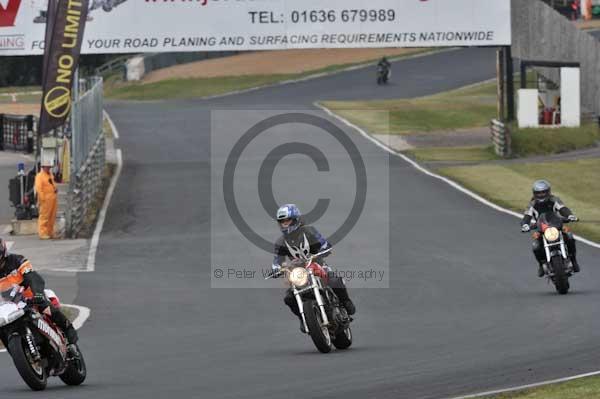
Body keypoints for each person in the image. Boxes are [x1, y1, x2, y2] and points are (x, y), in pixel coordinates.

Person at [271, 204, 355, 332]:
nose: (285, 224)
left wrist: (325, 248)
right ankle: (303, 318)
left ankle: (346, 302)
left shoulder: (309, 231)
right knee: (289, 297)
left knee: (334, 280)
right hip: (299, 272)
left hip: (317, 265)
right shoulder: (280, 242)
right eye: (282, 222)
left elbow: (323, 242)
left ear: (295, 219)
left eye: (287, 221)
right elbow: (277, 260)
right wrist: (276, 268)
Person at [0, 238, 79, 354]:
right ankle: (17, 353)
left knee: (45, 307)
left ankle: (69, 334)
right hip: (6, 308)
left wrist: (37, 294)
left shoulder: (17, 260)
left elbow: (33, 277)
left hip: (29, 298)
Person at [520, 180, 580, 277]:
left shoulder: (554, 199)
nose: (541, 195)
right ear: (534, 193)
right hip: (541, 228)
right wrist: (525, 224)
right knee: (535, 246)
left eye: (543, 192)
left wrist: (570, 216)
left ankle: (573, 260)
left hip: (556, 225)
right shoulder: (532, 204)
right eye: (538, 193)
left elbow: (563, 208)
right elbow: (527, 216)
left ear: (548, 191)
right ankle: (541, 265)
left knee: (569, 236)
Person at [34, 162, 58, 239]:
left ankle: (50, 232)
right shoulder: (39, 176)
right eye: (46, 167)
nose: (48, 168)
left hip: (53, 199)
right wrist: (42, 199)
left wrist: (55, 189)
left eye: (49, 167)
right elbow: (39, 188)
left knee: (52, 217)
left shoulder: (50, 175)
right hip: (45, 200)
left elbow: (52, 184)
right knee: (44, 217)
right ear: (43, 167)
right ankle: (43, 233)